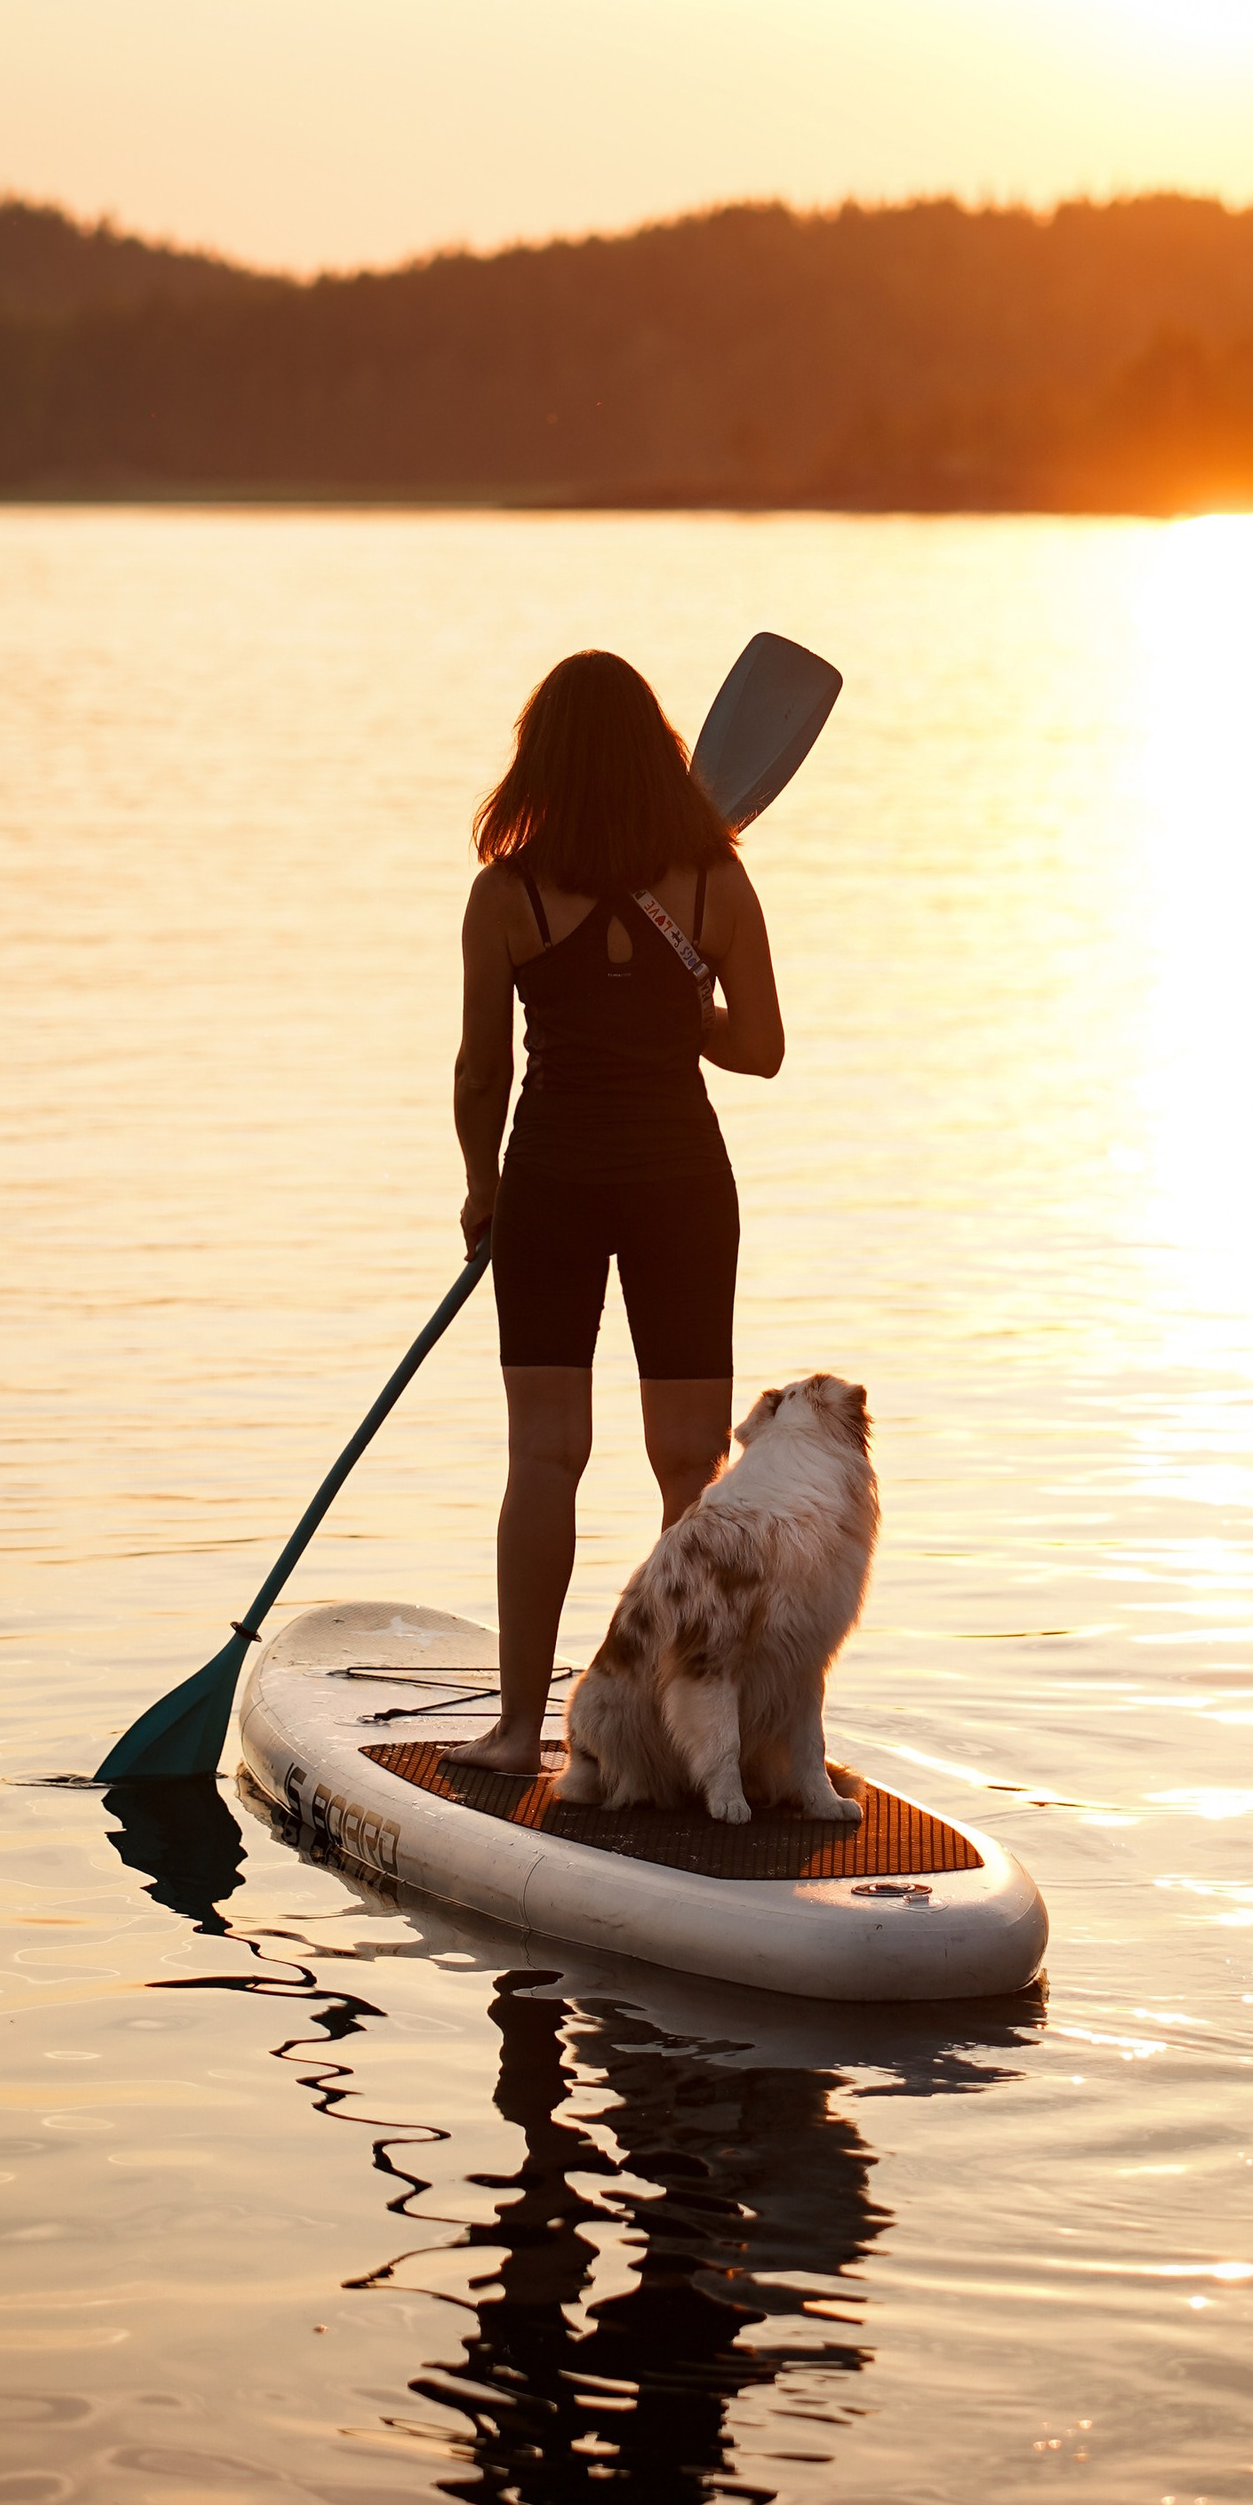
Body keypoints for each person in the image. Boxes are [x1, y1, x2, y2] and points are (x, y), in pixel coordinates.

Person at [449, 650, 785, 1779]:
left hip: (548, 1179)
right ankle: (693, 1739)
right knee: (690, 1465)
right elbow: (761, 1048)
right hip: (679, 1186)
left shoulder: (505, 895)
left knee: (544, 1455)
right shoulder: (710, 886)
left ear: (537, 761)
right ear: (660, 754)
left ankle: (512, 1730)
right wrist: (680, 1006)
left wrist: (479, 1186)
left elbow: (480, 1074)